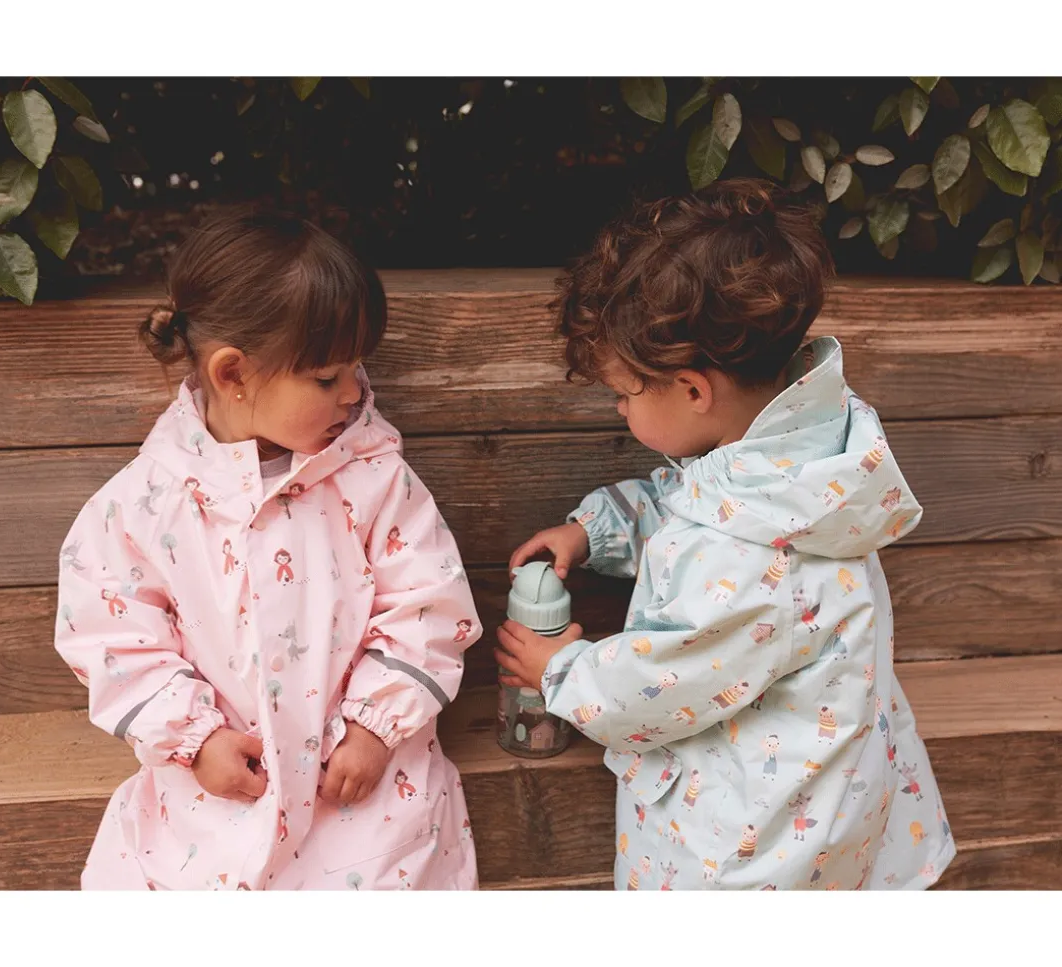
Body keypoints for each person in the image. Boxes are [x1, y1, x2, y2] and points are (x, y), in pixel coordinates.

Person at [499, 179, 955, 890]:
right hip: (826, 788)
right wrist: (596, 532)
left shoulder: (749, 558)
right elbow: (696, 503)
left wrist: (560, 669)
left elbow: (663, 682)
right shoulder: (795, 458)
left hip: (756, 846)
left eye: (622, 393)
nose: (618, 409)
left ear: (691, 390)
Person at [56, 211, 481, 890]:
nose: (354, 392)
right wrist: (194, 737)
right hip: (221, 783)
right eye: (326, 377)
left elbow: (428, 603)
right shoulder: (146, 503)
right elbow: (110, 632)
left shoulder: (374, 480)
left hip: (357, 776)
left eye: (355, 368)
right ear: (233, 374)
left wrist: (375, 724)